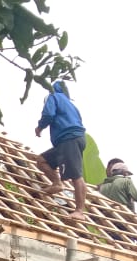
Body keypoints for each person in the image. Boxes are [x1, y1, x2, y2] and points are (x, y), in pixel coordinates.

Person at [34, 81, 88, 220]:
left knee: (76, 175)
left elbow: (48, 114)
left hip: (69, 138)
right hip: (67, 141)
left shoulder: (53, 96)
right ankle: (57, 183)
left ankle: (79, 211)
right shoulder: (71, 105)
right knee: (41, 160)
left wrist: (39, 128)